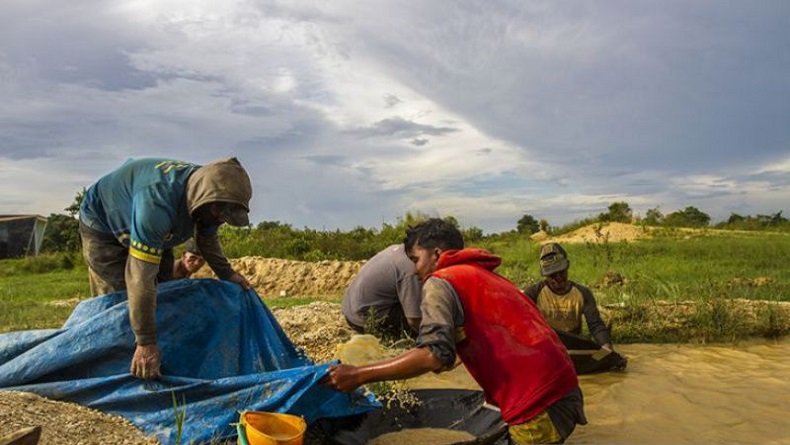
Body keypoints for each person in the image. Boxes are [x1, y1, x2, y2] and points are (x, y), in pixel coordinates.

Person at [325, 218, 587, 444]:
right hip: (565, 390)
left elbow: (432, 356)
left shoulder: (440, 282)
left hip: (536, 406)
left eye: (416, 259)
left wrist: (358, 374)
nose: (415, 270)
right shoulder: (486, 275)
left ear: (436, 254)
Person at [79, 157, 253, 380]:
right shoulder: (157, 205)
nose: (220, 220)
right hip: (104, 226)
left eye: (224, 218)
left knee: (165, 295)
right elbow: (140, 278)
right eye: (218, 215)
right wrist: (146, 342)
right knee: (122, 302)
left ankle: (164, 362)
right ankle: (112, 374)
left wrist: (228, 274)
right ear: (206, 202)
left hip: (156, 230)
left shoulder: (207, 198)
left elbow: (206, 239)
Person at [524, 243, 613, 350]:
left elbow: (595, 324)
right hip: (546, 344)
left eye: (561, 272)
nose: (558, 278)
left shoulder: (583, 293)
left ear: (567, 266)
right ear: (545, 275)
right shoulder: (533, 293)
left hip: (572, 345)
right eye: (552, 275)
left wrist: (606, 345)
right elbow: (523, 323)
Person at [341, 244, 423, 340]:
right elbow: (414, 319)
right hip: (363, 320)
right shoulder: (412, 267)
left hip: (351, 312)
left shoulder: (399, 250)